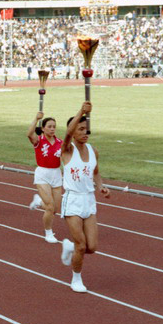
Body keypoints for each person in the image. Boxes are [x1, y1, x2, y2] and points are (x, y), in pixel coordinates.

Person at [59, 102, 110, 293]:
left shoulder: (93, 150)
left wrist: (101, 186)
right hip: (72, 200)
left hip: (89, 200)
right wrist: (82, 111)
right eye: (80, 128)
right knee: (81, 245)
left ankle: (69, 247)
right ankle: (76, 279)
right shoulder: (67, 149)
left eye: (86, 129)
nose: (84, 132)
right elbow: (67, 134)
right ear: (73, 131)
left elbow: (95, 172)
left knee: (92, 247)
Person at [27, 112, 63, 243]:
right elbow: (29, 134)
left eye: (54, 126)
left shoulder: (60, 142)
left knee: (55, 209)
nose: (52, 128)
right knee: (50, 207)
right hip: (42, 173)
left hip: (56, 174)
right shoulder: (39, 140)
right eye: (49, 126)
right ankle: (48, 233)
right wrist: (36, 118)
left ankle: (38, 201)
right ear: (43, 128)